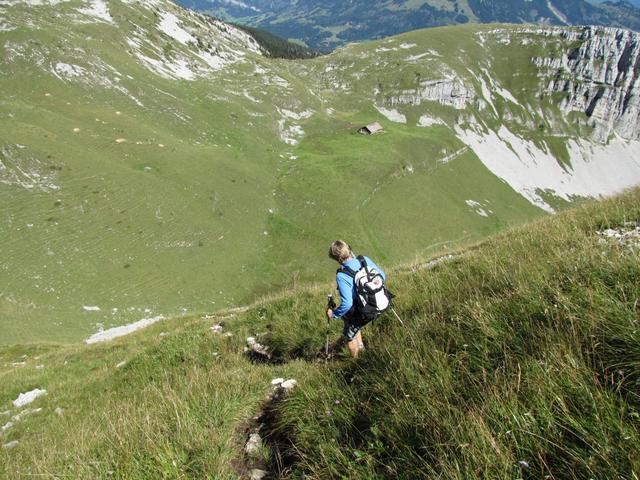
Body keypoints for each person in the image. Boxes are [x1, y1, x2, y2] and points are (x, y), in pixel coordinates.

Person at [326, 240, 386, 358]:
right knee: (353, 321)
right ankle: (361, 348)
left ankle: (356, 361)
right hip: (380, 302)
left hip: (363, 310)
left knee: (349, 336)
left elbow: (347, 304)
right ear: (348, 249)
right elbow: (382, 276)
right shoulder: (364, 260)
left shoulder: (342, 275)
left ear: (336, 258)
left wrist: (333, 314)